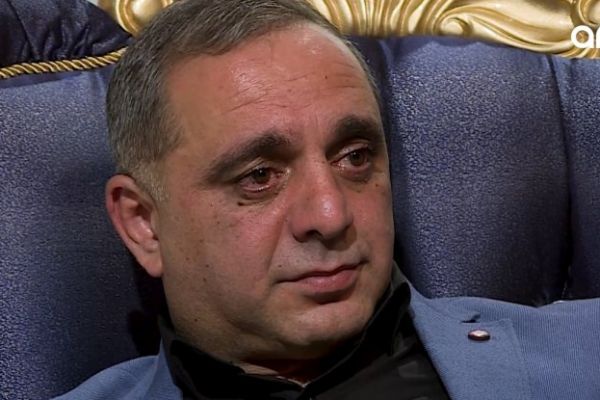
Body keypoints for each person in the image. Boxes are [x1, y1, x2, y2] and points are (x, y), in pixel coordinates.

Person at [55, 0, 600, 399]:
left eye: (354, 157)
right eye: (260, 176)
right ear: (144, 223)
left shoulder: (584, 352)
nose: (331, 214)